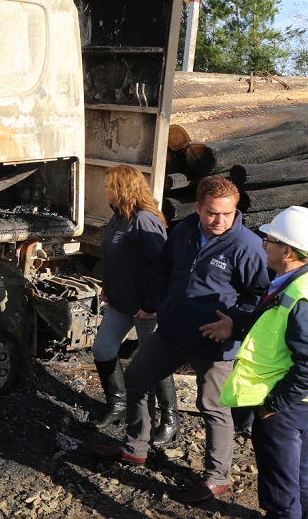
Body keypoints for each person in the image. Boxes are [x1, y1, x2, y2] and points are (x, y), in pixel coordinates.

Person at [91, 176, 269, 505]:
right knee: (137, 377)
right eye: (213, 213)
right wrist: (154, 304)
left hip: (213, 341)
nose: (221, 221)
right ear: (198, 207)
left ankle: (217, 477)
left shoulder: (246, 245)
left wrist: (235, 324)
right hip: (172, 330)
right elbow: (164, 268)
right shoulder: (185, 230)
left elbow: (258, 296)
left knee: (213, 406)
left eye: (228, 214)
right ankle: (136, 448)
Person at [202, 206, 308, 519]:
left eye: (269, 240)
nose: (263, 244)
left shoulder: (300, 298)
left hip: (285, 406)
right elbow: (276, 327)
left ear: (287, 251)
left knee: (280, 491)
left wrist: (274, 404)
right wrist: (236, 326)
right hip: (300, 404)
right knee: (301, 472)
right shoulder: (304, 280)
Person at [90, 165, 180, 446]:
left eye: (108, 186)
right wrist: (108, 285)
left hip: (145, 308)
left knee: (154, 362)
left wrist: (151, 306)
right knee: (103, 350)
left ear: (122, 189)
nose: (104, 190)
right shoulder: (118, 218)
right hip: (120, 302)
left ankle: (170, 418)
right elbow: (115, 257)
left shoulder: (144, 221)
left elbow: (161, 266)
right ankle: (118, 405)